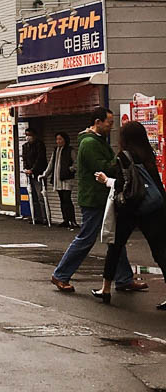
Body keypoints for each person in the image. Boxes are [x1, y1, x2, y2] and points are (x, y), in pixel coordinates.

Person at [51, 108, 146, 294]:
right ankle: (61, 275)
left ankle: (124, 278)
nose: (111, 126)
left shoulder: (97, 141)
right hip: (94, 198)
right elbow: (102, 168)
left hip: (103, 197)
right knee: (87, 238)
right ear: (97, 122)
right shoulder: (89, 143)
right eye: (108, 122)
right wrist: (121, 161)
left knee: (115, 238)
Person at [90, 120, 166, 307]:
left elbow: (124, 185)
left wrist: (106, 180)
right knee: (160, 252)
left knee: (115, 247)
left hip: (130, 208)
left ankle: (105, 289)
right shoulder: (148, 154)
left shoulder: (123, 156)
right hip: (153, 208)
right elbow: (156, 182)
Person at [43, 131, 77, 229]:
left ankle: (72, 220)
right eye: (57, 139)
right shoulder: (56, 150)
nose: (58, 141)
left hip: (66, 178)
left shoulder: (70, 150)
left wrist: (71, 168)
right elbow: (51, 164)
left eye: (60, 139)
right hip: (57, 178)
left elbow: (76, 162)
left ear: (65, 140)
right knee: (62, 200)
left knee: (67, 199)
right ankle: (65, 219)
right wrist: (45, 174)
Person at [22, 128, 48, 225]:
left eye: (30, 135)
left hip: (38, 174)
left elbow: (40, 159)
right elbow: (24, 158)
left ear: (34, 135)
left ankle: (45, 217)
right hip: (29, 174)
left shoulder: (39, 145)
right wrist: (26, 169)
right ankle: (36, 217)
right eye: (26, 135)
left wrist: (32, 169)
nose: (28, 137)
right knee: (33, 197)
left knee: (41, 196)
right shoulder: (25, 146)